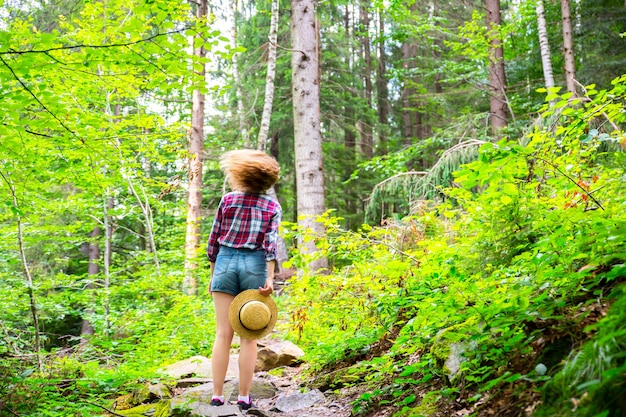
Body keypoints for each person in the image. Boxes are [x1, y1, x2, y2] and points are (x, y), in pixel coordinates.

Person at [206, 149, 281, 410]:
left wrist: (213, 274)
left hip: (225, 262)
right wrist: (269, 278)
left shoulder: (228, 200)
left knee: (222, 333)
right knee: (249, 336)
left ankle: (217, 395)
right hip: (254, 264)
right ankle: (244, 396)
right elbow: (271, 246)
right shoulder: (272, 206)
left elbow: (213, 240)